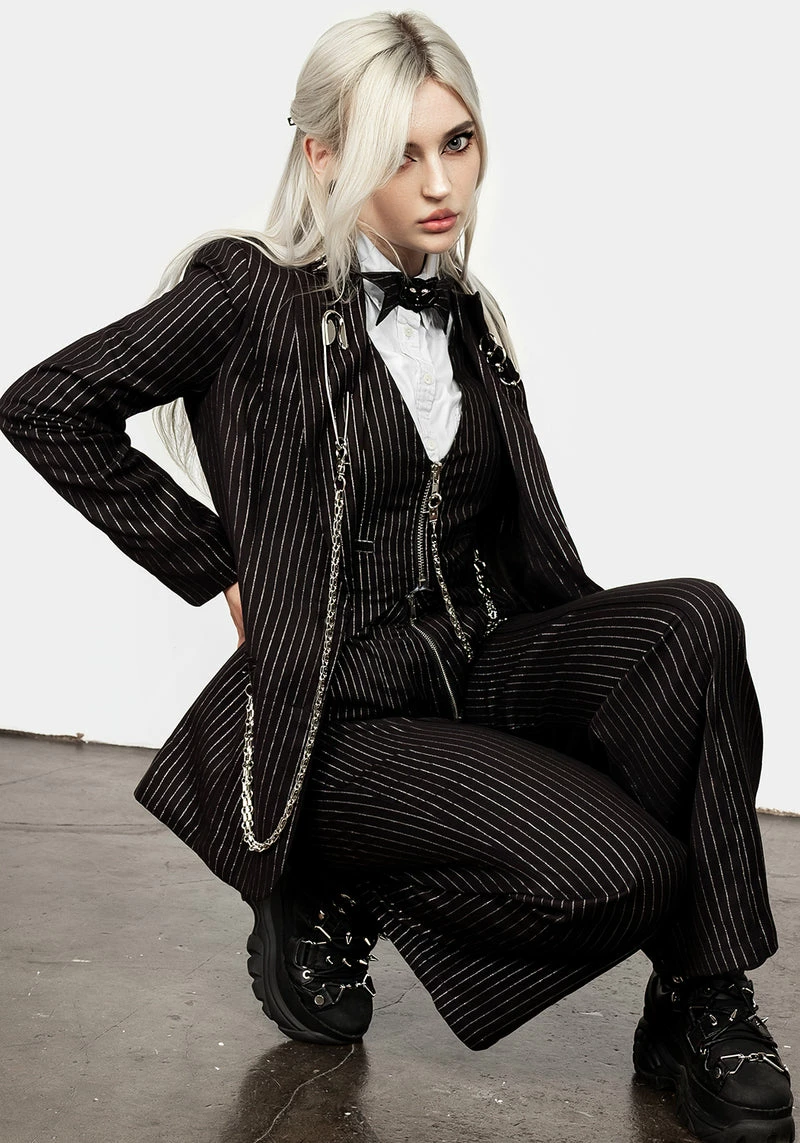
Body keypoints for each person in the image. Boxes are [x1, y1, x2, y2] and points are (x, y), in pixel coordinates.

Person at [0, 11, 793, 1143]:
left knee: (695, 620)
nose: (438, 184)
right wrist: (215, 566)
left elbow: (515, 541)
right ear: (324, 155)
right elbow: (48, 405)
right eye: (398, 152)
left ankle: (699, 1001)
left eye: (456, 144)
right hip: (345, 706)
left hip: (478, 659)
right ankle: (326, 880)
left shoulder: (468, 315)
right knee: (624, 873)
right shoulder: (250, 294)